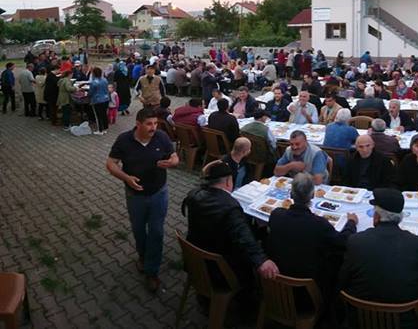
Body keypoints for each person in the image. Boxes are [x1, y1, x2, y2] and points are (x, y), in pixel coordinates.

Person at [105, 108, 180, 291]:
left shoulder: (161, 137)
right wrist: (126, 178)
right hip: (135, 196)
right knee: (138, 230)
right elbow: (110, 163)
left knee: (156, 231)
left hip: (158, 193)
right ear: (138, 124)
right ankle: (142, 256)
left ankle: (151, 271)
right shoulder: (124, 140)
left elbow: (174, 156)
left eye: (155, 123)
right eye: (149, 124)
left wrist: (172, 163)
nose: (153, 127)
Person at [182, 161, 278, 296]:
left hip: (195, 259)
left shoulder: (194, 195)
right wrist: (262, 260)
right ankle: (246, 301)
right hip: (220, 269)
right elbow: (243, 236)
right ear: (228, 182)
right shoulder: (229, 206)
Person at [268, 173, 357, 301]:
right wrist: (351, 223)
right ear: (313, 195)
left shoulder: (276, 215)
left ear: (291, 194)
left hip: (276, 283)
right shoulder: (319, 224)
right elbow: (343, 241)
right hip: (309, 292)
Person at [339, 188, 418, 309]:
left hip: (359, 316)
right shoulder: (417, 244)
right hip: (406, 319)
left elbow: (343, 279)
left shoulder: (356, 241)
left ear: (377, 216)